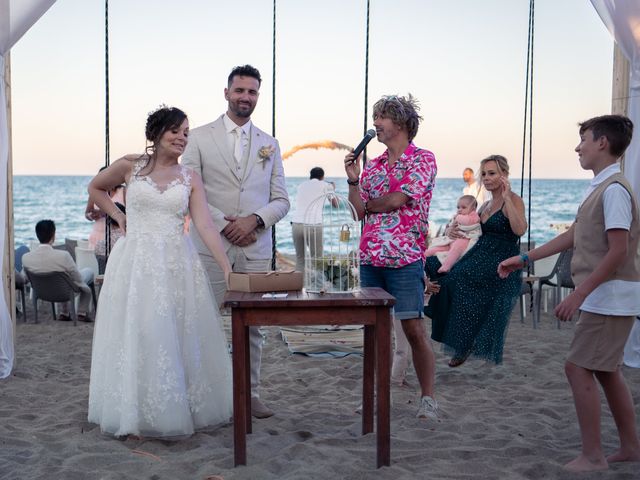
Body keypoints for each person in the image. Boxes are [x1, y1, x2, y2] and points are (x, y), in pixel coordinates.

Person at [499, 114, 640, 472]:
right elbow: (575, 235)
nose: (578, 147)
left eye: (584, 140)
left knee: (577, 368)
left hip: (610, 296)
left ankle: (593, 456)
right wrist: (525, 257)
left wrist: (578, 295)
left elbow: (618, 251)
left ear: (602, 143)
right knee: (607, 371)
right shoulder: (599, 188)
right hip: (607, 295)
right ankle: (630, 448)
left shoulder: (614, 191)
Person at [87, 106, 234, 438]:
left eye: (186, 132)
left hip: (175, 263)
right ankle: (134, 411)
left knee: (172, 334)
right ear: (156, 134)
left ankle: (173, 409)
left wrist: (225, 267)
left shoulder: (190, 178)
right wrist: (118, 215)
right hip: (135, 262)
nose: (182, 137)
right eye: (175, 131)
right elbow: (95, 188)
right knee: (138, 332)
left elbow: (206, 225)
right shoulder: (130, 166)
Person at [182, 65, 289, 419]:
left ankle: (251, 393)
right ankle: (204, 395)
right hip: (210, 246)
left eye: (252, 92)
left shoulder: (269, 144)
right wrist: (224, 224)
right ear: (226, 92)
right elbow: (187, 188)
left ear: (258, 96)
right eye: (240, 90)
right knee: (205, 321)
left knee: (254, 326)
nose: (246, 97)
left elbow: (281, 200)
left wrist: (255, 221)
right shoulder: (197, 138)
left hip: (256, 249)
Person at [344, 94, 439, 420]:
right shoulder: (374, 165)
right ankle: (374, 396)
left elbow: (397, 200)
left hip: (405, 259)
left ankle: (428, 398)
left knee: (413, 329)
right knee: (374, 332)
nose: (375, 125)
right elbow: (358, 210)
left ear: (399, 122)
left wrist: (371, 205)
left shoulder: (422, 159)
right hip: (371, 259)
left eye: (380, 118)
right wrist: (353, 180)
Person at [425, 155, 527, 367]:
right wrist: (452, 230)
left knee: (458, 278)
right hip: (479, 252)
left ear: (504, 175)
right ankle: (446, 322)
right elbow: (472, 230)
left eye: (492, 173)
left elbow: (520, 230)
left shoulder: (514, 200)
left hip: (501, 256)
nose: (487, 178)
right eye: (484, 174)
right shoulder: (485, 205)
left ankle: (465, 342)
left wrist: (507, 198)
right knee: (434, 265)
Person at [22, 219, 94, 322]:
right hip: (64, 292)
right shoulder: (63, 256)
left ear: (37, 235)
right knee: (88, 272)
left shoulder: (26, 258)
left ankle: (64, 312)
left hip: (42, 292)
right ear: (53, 236)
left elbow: (25, 278)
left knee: (63, 276)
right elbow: (76, 277)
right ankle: (81, 312)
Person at [290, 166, 337, 273]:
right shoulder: (326, 185)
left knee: (300, 260)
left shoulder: (301, 186)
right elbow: (336, 204)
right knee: (317, 260)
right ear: (322, 176)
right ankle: (318, 287)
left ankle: (298, 286)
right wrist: (333, 189)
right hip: (313, 224)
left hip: (296, 224)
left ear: (310, 176)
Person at [424, 195, 481, 273]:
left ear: (473, 208)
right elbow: (450, 225)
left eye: (463, 207)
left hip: (464, 239)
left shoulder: (474, 216)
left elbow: (468, 222)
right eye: (458, 207)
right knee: (439, 248)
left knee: (455, 250)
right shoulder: (459, 216)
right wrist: (450, 226)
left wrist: (457, 217)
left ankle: (447, 266)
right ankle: (426, 253)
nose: (460, 210)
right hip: (452, 240)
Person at [85, 170, 125, 252]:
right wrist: (91, 215)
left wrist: (104, 213)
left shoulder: (123, 191)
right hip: (97, 233)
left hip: (116, 235)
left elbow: (128, 213)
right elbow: (87, 213)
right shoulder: (95, 192)